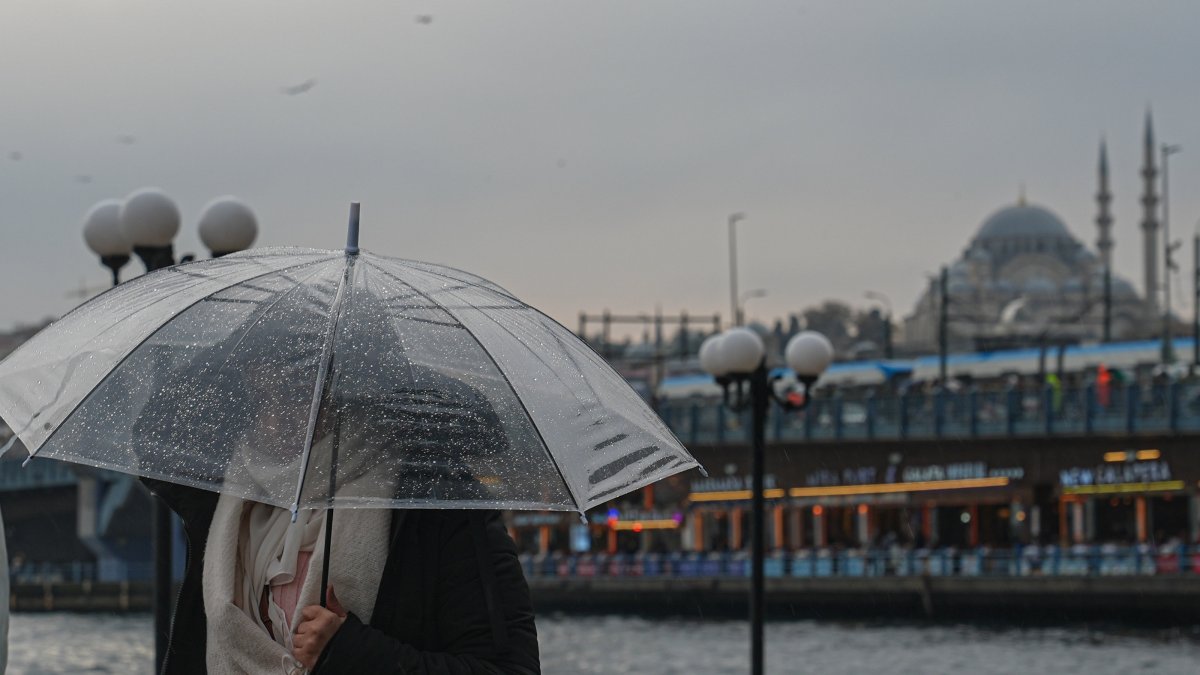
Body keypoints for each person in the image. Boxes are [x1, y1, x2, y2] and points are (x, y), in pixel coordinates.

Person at [140, 364, 541, 674]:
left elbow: (509, 668)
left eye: (299, 394)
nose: (275, 420)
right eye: (260, 395)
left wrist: (350, 653)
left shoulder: (432, 503)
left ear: (355, 393)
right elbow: (150, 438)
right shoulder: (224, 497)